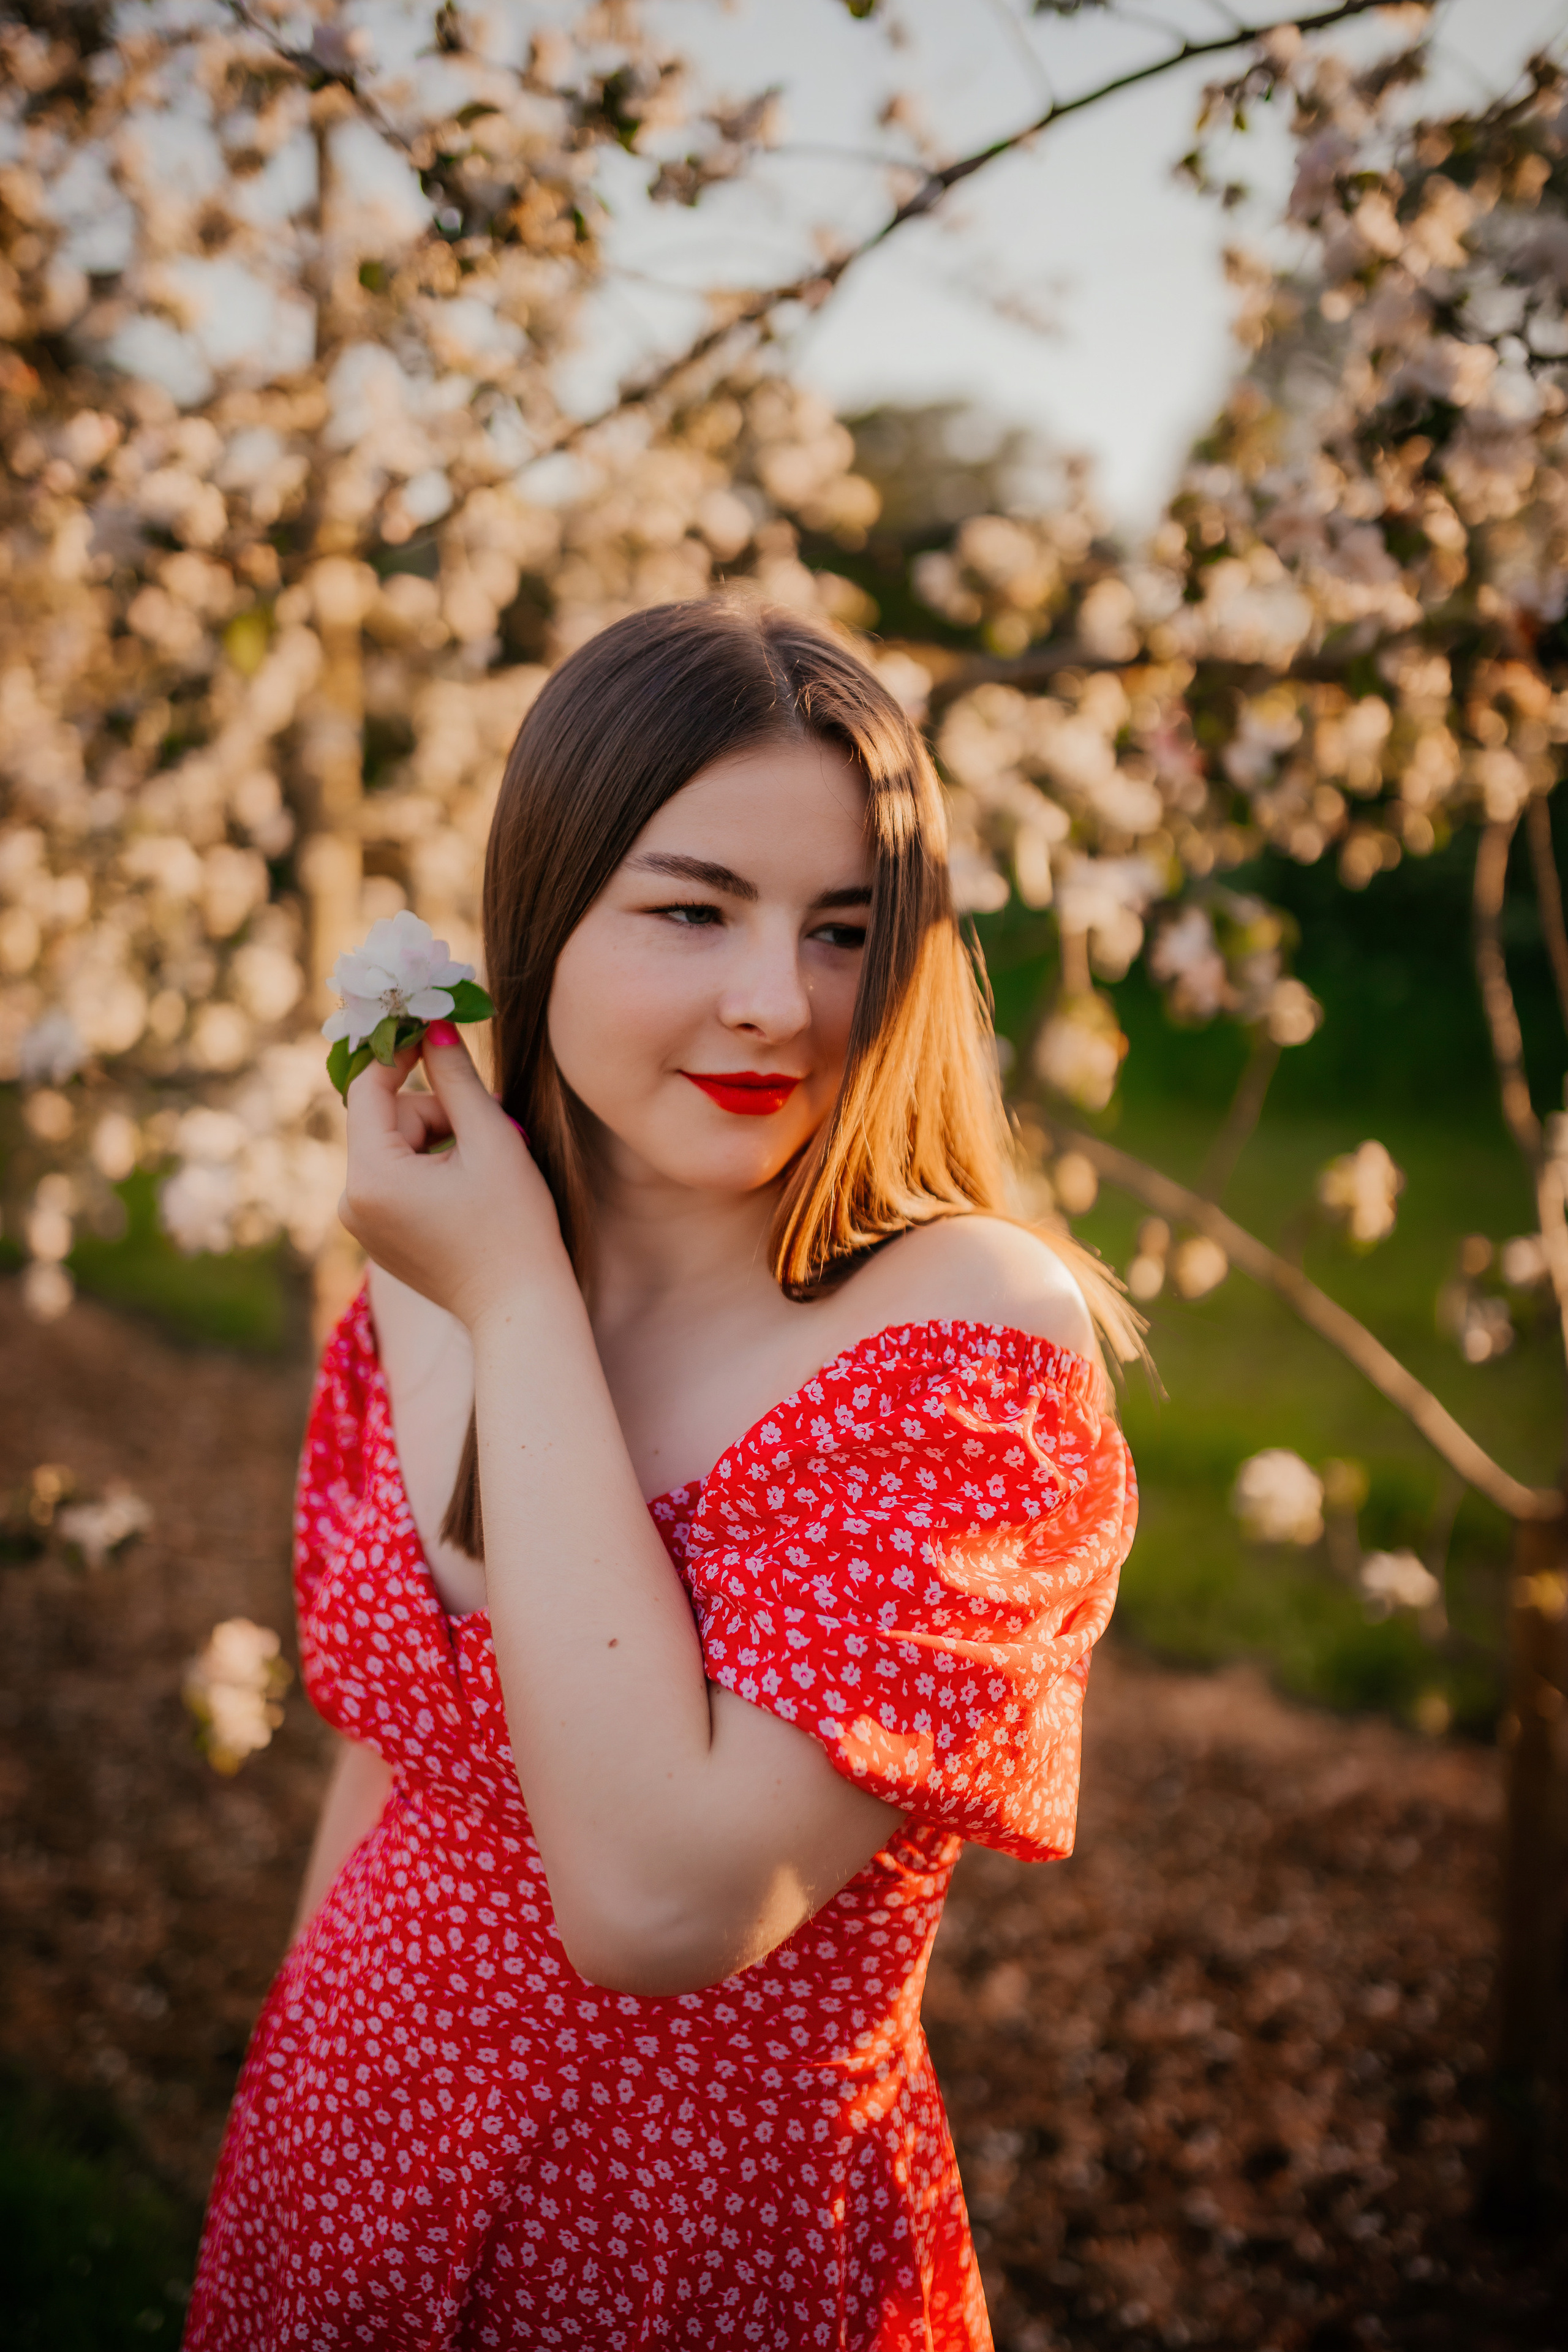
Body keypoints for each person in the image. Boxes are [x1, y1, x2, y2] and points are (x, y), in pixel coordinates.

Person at [184, 598, 1139, 2351]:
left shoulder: (963, 1346)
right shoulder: (440, 1258)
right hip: (335, 2170)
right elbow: (399, 1759)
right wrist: (294, 2133)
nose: (775, 1001)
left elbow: (657, 1906)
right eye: (694, 909)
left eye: (845, 929)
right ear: (545, 916)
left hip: (685, 2255)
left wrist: (512, 1297)